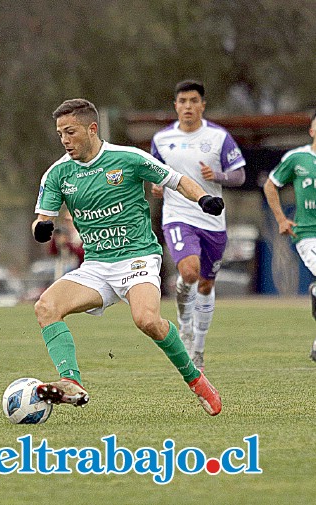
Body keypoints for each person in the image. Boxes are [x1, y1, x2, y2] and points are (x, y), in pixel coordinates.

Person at [32, 98, 224, 416]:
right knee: (46, 307)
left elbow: (176, 180)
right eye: (60, 133)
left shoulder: (128, 159)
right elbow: (43, 218)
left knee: (146, 320)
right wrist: (42, 229)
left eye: (71, 131)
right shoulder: (57, 174)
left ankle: (197, 381)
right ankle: (71, 381)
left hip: (138, 258)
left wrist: (204, 198)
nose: (65, 139)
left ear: (92, 128)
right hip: (95, 266)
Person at [150, 80, 246, 371]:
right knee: (189, 271)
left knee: (206, 283)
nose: (188, 106)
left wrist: (216, 176)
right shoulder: (162, 139)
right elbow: (154, 171)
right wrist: (156, 184)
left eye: (194, 101)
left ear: (202, 105)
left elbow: (240, 176)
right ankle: (184, 325)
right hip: (178, 215)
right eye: (182, 101)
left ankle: (199, 348)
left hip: (212, 219)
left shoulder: (218, 137)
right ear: (175, 105)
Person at [263, 110, 316, 362]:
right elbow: (270, 184)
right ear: (312, 130)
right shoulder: (297, 158)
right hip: (307, 234)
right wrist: (281, 219)